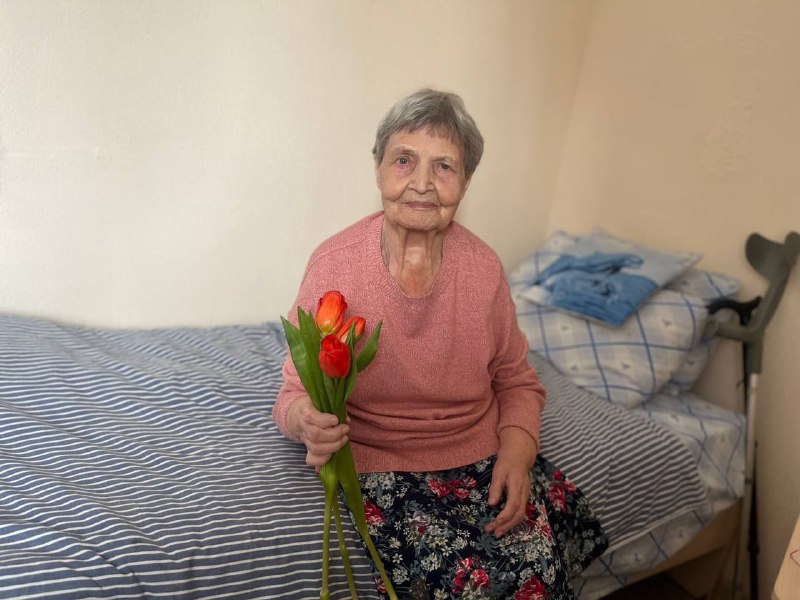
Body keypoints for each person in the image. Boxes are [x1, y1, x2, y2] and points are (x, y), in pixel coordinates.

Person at [273, 89, 607, 599]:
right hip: (378, 463)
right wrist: (307, 423)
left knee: (542, 563)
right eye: (404, 160)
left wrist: (517, 454)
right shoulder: (334, 263)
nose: (422, 183)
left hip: (479, 451)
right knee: (486, 584)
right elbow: (293, 394)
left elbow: (517, 380)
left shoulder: (484, 269)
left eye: (444, 166)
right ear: (378, 167)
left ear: (466, 182)